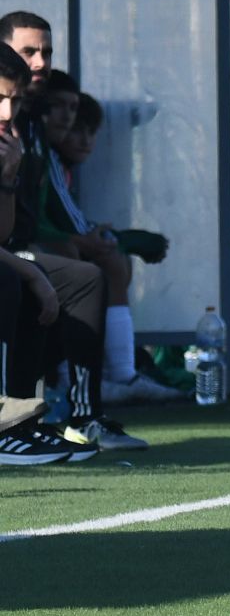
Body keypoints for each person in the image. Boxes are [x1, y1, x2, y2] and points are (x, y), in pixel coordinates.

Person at [33, 71, 179, 410]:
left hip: (35, 246)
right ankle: (76, 378)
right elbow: (49, 223)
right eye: (76, 127)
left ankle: (117, 375)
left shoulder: (54, 160)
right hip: (24, 251)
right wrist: (119, 239)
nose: (83, 138)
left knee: (108, 259)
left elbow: (65, 220)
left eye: (90, 131)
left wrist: (107, 238)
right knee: (88, 258)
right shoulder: (41, 153)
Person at [0, 43, 99, 466]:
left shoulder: (13, 141)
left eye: (15, 100)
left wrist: (7, 178)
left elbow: (2, 234)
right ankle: (4, 425)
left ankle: (64, 420)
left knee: (81, 278)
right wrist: (29, 272)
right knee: (10, 278)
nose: (7, 112)